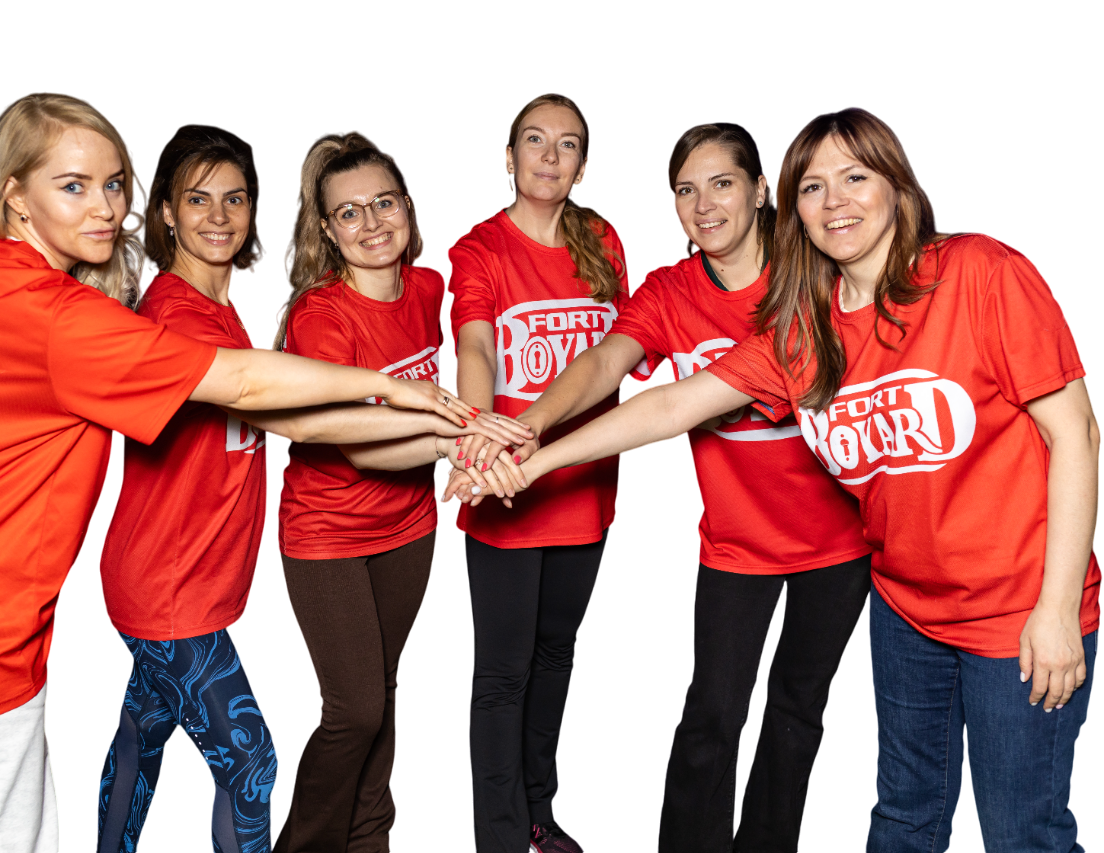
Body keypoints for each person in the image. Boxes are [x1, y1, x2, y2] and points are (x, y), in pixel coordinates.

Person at [0, 92, 488, 853]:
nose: (104, 208)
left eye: (112, 184)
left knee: (132, 741)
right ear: (15, 195)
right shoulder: (102, 320)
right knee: (250, 765)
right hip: (5, 633)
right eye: (73, 185)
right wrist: (409, 397)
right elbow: (268, 400)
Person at [493, 107, 1101, 852]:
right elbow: (672, 405)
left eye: (855, 177)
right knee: (902, 819)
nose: (835, 200)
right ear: (795, 207)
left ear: (897, 184)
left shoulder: (979, 271)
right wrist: (535, 457)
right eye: (813, 187)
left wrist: (1058, 608)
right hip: (905, 609)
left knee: (1020, 835)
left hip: (1017, 611)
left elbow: (1076, 433)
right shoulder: (804, 328)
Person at [93, 125, 528, 853]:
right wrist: (441, 425)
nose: (220, 215)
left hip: (206, 581)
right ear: (164, 211)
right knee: (255, 766)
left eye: (235, 198)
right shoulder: (178, 316)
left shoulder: (221, 308)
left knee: (143, 733)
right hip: (170, 590)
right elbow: (304, 420)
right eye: (197, 199)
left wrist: (454, 431)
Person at [489, 122, 872, 853]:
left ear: (761, 192)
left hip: (838, 543)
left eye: (722, 184)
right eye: (685, 191)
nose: (704, 206)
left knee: (797, 717)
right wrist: (530, 424)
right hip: (736, 546)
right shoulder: (670, 289)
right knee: (713, 718)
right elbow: (606, 364)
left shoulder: (818, 276)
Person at [268, 130, 529, 853]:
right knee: (351, 709)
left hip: (410, 526)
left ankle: (370, 839)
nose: (372, 223)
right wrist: (455, 446)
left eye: (384, 203)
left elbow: (473, 355)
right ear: (327, 230)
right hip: (326, 534)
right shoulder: (322, 316)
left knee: (381, 691)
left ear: (409, 209)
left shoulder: (428, 286)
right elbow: (356, 443)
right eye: (349, 212)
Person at [445, 93, 636, 853]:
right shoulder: (480, 247)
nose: (549, 156)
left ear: (583, 165)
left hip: (584, 486)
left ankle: (539, 821)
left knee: (557, 659)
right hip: (505, 487)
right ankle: (498, 839)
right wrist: (479, 439)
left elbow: (619, 356)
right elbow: (475, 346)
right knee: (501, 675)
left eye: (567, 144)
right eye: (534, 140)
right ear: (508, 157)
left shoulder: (604, 240)